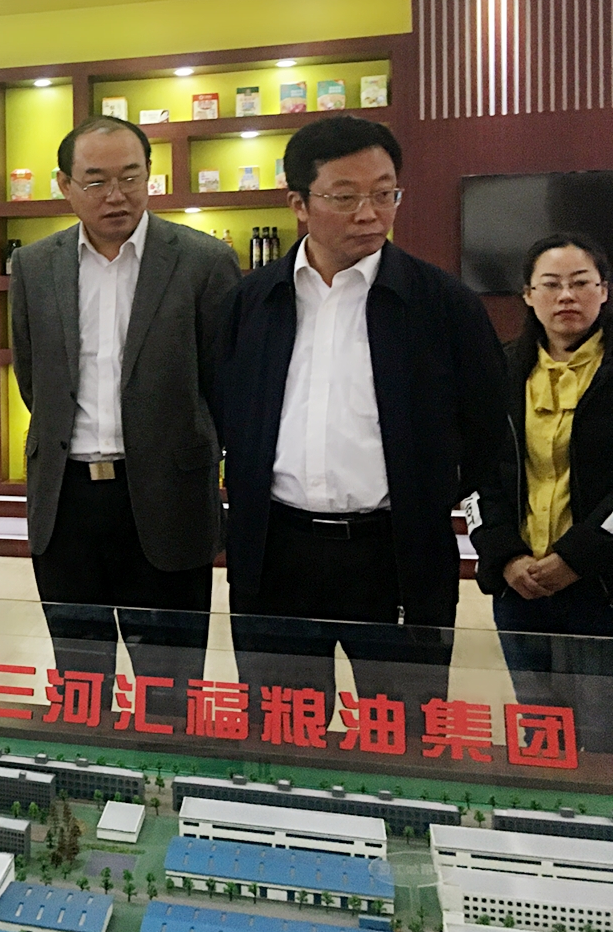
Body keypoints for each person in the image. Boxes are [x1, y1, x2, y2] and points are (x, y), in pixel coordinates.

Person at [217, 115, 508, 720]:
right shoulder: (251, 303)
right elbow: (223, 412)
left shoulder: (443, 305)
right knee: (282, 731)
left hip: (396, 556)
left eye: (385, 193)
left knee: (402, 732)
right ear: (299, 204)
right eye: (345, 197)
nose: (370, 214)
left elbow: (486, 434)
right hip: (276, 553)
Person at [9, 117, 240, 724]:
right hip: (67, 500)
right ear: (65, 185)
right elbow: (34, 378)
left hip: (168, 495)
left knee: (171, 686)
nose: (116, 195)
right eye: (96, 181)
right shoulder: (34, 265)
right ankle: (89, 773)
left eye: (131, 177)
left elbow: (223, 381)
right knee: (80, 681)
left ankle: (168, 772)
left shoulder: (203, 261)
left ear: (149, 177)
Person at [471, 234, 613, 737]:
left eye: (580, 283)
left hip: (602, 587)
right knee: (541, 736)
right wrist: (506, 556)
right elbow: (477, 473)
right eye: (550, 285)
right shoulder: (500, 370)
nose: (566, 296)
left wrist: (577, 557)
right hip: (521, 588)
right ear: (529, 296)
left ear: (604, 290)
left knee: (603, 738)